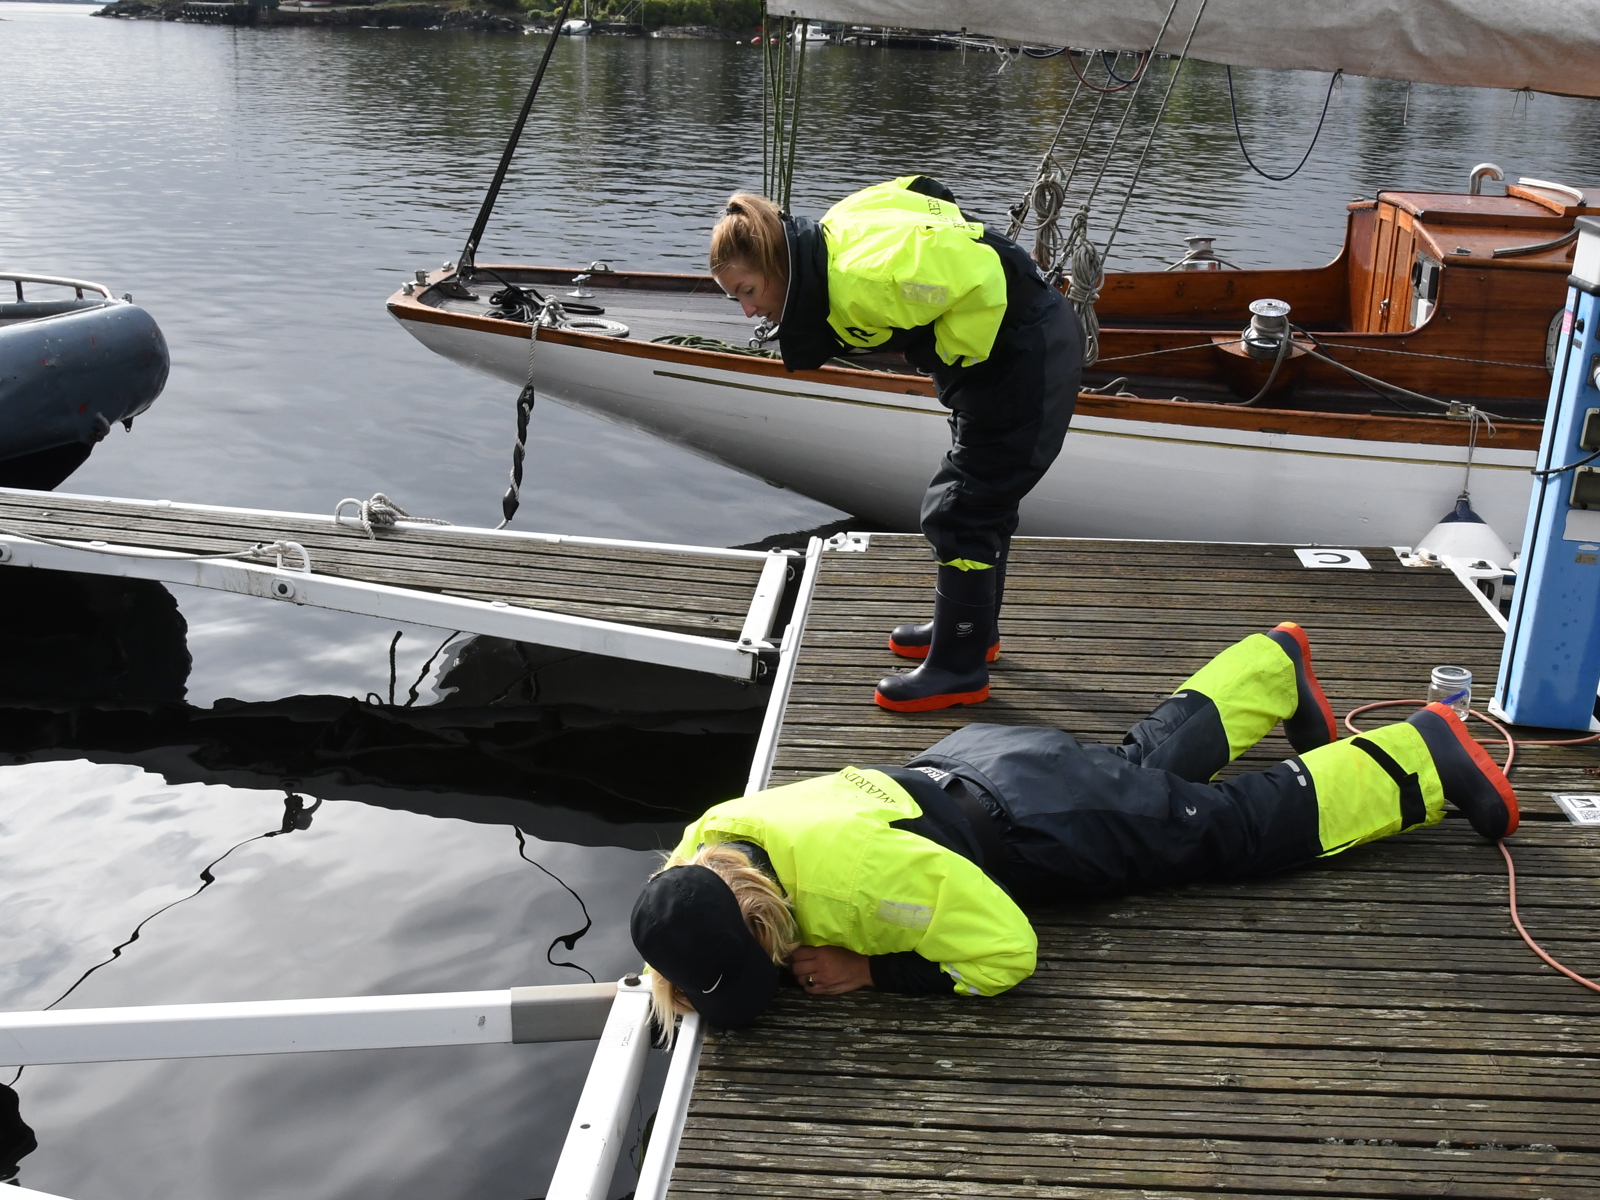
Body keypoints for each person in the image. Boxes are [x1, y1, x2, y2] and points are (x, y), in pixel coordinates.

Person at [631, 623, 1519, 1030]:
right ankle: (1268, 665)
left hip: (1039, 827)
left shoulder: (863, 883)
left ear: (765, 921)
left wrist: (875, 968)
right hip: (977, 762)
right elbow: (680, 907)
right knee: (1136, 771)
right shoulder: (716, 834)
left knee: (1225, 830)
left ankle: (1423, 754)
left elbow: (1006, 953)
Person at [709, 177, 1083, 712]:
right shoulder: (835, 231)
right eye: (735, 298)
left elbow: (978, 270)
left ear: (776, 262)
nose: (747, 311)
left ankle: (960, 669)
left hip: (1026, 357)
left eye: (748, 291)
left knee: (961, 512)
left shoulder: (859, 278)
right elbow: (925, 193)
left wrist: (967, 345)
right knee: (982, 503)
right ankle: (972, 633)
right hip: (1002, 360)